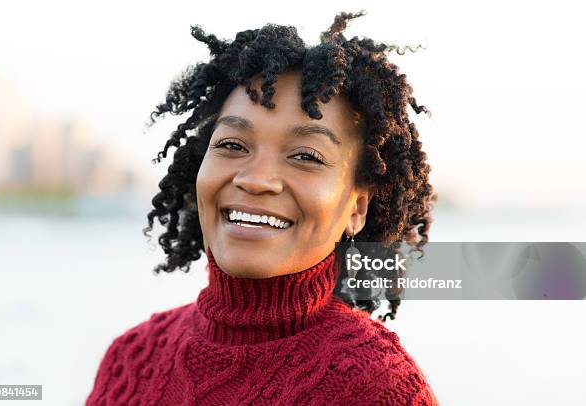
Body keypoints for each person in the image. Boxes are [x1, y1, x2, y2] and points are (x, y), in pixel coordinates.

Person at [86, 10, 438, 405]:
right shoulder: (132, 358)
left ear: (357, 207)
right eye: (233, 146)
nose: (255, 179)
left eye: (305, 155)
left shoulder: (377, 385)